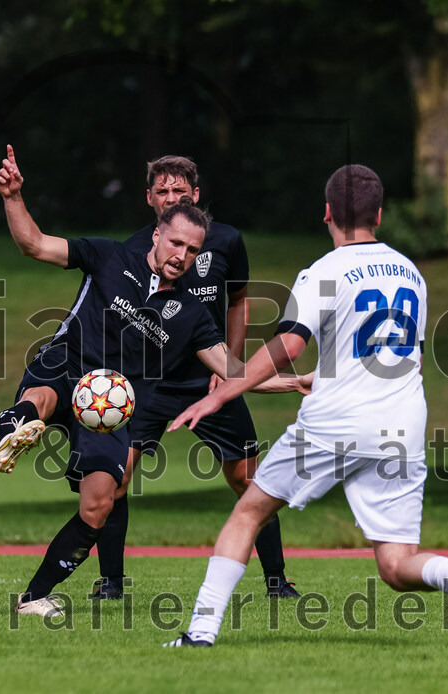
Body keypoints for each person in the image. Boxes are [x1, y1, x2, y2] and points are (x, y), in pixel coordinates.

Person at [162, 165, 448, 648]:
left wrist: (223, 390)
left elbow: (289, 344)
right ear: (380, 215)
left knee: (248, 513)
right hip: (403, 428)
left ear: (327, 212)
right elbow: (415, 359)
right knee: (395, 564)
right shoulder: (412, 274)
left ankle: (200, 633)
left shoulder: (324, 271)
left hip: (337, 423)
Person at [0, 145, 308, 618]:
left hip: (112, 402)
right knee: (46, 394)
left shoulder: (192, 315)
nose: (182, 256)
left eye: (193, 250)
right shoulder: (108, 255)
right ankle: (14, 426)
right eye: (176, 244)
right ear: (157, 234)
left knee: (98, 504)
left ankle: (33, 597)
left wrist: (295, 382)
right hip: (67, 363)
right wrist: (13, 196)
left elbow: (233, 372)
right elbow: (34, 243)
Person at [90, 155, 300, 601]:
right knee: (117, 476)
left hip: (211, 379)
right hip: (149, 384)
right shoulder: (129, 250)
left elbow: (239, 300)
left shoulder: (225, 241)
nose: (171, 197)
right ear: (150, 200)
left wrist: (230, 372)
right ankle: (110, 583)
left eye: (179, 190)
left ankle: (277, 581)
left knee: (248, 478)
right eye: (162, 191)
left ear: (195, 194)